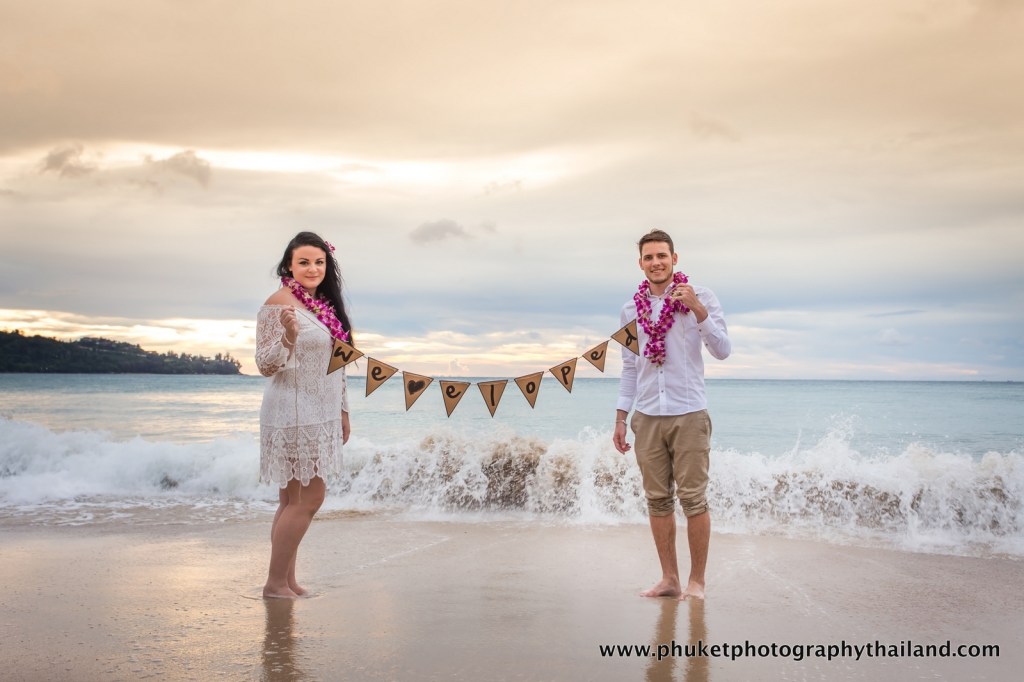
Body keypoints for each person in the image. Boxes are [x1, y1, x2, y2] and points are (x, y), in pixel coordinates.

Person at [613, 229, 731, 600]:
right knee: (657, 500)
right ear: (641, 263)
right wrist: (620, 417)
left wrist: (698, 309)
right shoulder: (631, 310)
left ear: (674, 258)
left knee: (694, 499)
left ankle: (697, 582)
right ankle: (669, 579)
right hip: (646, 416)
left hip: (689, 412)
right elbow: (630, 368)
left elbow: (723, 350)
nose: (656, 262)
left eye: (662, 255)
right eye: (649, 257)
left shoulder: (702, 297)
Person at [256, 231, 353, 598]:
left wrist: (343, 410)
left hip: (322, 410)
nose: (312, 268)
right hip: (293, 411)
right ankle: (275, 583)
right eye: (304, 262)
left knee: (291, 501)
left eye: (319, 262)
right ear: (288, 266)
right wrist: (287, 337)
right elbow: (265, 365)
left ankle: (287, 580)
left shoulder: (321, 305)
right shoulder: (277, 305)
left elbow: (337, 365)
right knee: (309, 499)